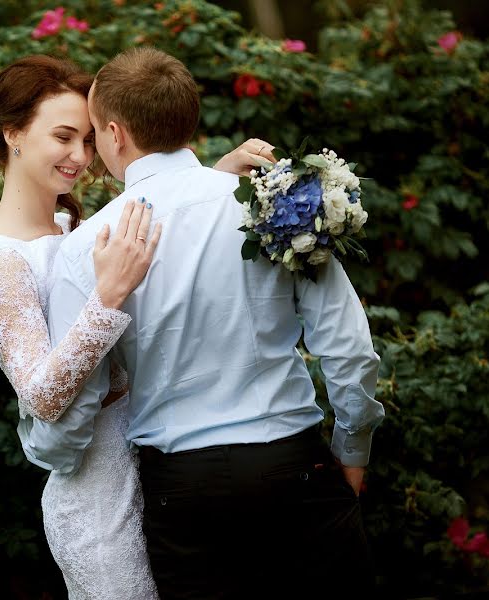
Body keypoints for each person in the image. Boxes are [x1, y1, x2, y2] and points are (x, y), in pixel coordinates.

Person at [22, 47, 385, 599]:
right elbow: (349, 347)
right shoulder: (267, 207)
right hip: (296, 467)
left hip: (185, 494)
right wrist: (353, 448)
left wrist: (52, 456)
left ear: (116, 134)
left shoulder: (86, 250)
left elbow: (79, 410)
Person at [0, 55, 272, 599]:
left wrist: (211, 182)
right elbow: (41, 395)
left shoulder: (68, 226)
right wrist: (107, 299)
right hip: (96, 499)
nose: (81, 157)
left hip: (155, 467)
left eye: (88, 140)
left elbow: (142, 227)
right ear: (12, 133)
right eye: (63, 137)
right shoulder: (1, 262)